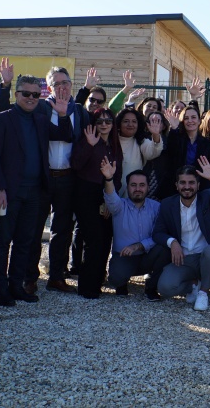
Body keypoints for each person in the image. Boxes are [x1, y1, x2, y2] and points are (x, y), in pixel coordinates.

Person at [0, 60, 92, 295]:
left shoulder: (80, 111)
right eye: (56, 83)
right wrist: (5, 85)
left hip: (68, 178)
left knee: (62, 231)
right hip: (42, 179)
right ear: (48, 88)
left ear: (71, 85)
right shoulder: (38, 107)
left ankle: (56, 277)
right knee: (33, 230)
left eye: (65, 83)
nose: (62, 87)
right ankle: (30, 277)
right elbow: (2, 112)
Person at [0, 75, 72, 306]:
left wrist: (63, 115)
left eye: (36, 94)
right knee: (3, 241)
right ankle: (0, 289)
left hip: (35, 192)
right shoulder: (1, 119)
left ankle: (16, 285)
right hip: (9, 193)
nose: (32, 98)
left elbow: (63, 135)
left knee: (25, 241)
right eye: (27, 94)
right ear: (17, 94)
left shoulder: (41, 120)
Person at [154, 158, 210, 311]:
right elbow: (158, 232)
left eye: (191, 183)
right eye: (182, 183)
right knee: (165, 288)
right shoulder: (168, 204)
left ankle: (203, 293)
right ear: (176, 185)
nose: (187, 187)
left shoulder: (206, 198)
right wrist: (172, 242)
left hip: (206, 257)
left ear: (198, 185)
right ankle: (193, 285)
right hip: (183, 259)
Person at [97, 159, 170, 301]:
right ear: (128, 187)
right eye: (133, 185)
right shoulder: (119, 206)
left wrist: (139, 245)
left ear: (148, 187)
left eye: (142, 185)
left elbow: (159, 234)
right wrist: (109, 178)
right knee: (116, 279)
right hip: (125, 257)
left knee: (165, 248)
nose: (138, 189)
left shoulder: (156, 207)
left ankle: (151, 287)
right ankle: (122, 282)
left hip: (148, 256)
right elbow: (111, 198)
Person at [71, 109, 123, 299]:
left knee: (105, 240)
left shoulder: (114, 145)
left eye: (108, 120)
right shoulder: (89, 140)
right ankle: (87, 287)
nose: (103, 124)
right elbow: (76, 164)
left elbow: (117, 175)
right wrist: (90, 146)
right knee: (93, 240)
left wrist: (109, 200)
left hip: (107, 194)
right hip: (86, 194)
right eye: (99, 121)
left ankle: (98, 280)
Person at [162, 105, 210, 199]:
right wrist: (174, 128)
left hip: (199, 188)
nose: (190, 121)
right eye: (186, 118)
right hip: (175, 188)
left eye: (193, 117)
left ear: (199, 121)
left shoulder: (207, 144)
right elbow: (171, 151)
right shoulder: (176, 137)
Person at [115, 108, 163, 196]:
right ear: (119, 123)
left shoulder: (141, 141)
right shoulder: (111, 141)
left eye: (134, 121)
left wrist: (156, 135)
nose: (130, 124)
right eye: (126, 121)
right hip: (110, 196)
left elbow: (153, 152)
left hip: (131, 197)